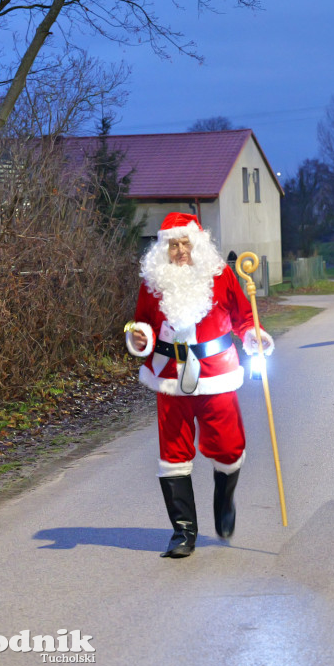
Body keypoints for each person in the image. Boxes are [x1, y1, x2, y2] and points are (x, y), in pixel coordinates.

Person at [124, 212, 275, 558]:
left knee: (228, 447)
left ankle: (224, 500)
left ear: (198, 244)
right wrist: (139, 336)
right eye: (173, 245)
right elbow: (142, 322)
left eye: (185, 243)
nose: (179, 251)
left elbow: (244, 318)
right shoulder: (153, 283)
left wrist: (254, 337)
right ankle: (183, 532)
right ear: (164, 249)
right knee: (172, 454)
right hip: (169, 377)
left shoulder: (220, 276)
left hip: (216, 373)